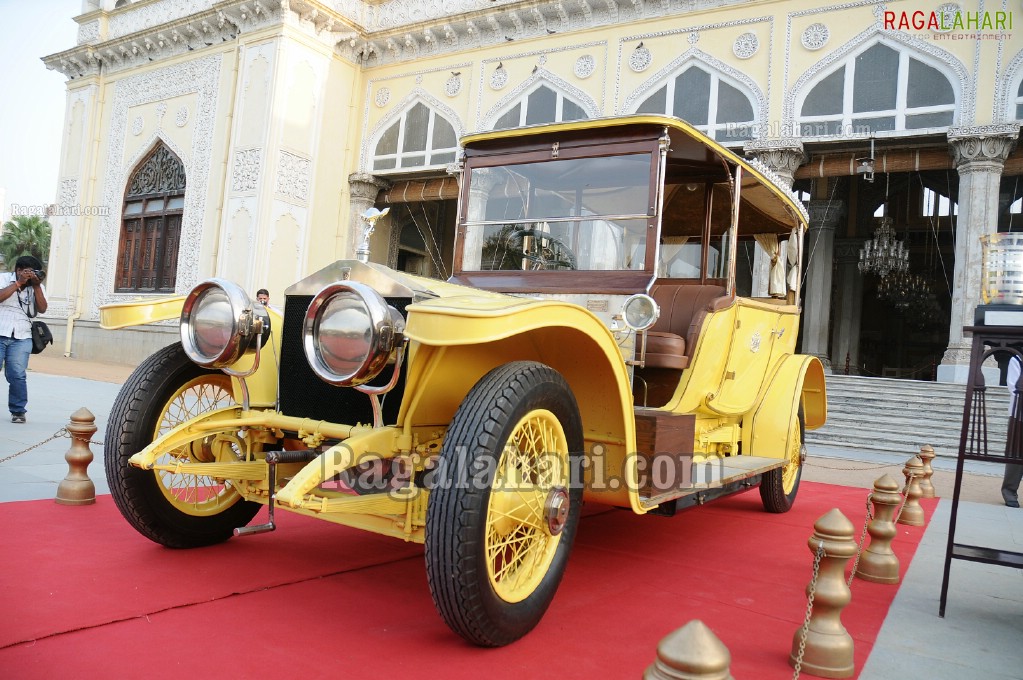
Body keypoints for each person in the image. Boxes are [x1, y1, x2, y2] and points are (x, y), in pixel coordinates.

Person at [0, 256, 48, 423]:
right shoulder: (3, 278)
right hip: (0, 331)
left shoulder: (37, 286)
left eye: (32, 272)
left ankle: (18, 411)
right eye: (26, 271)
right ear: (18, 270)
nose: (29, 275)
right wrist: (18, 283)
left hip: (22, 335)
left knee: (17, 374)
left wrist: (36, 286)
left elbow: (42, 308)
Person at [1004, 354, 1022, 508]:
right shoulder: (1017, 360)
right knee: (1015, 454)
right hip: (1019, 414)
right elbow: (1014, 387)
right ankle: (1010, 492)